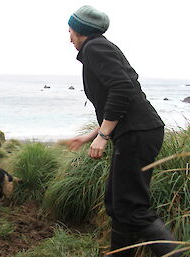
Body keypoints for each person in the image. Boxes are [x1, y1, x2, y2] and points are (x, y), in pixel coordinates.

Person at [66, 5, 182, 257]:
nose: (69, 37)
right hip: (138, 131)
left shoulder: (96, 48)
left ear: (81, 31)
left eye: (71, 31)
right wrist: (91, 135)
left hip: (137, 134)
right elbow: (119, 95)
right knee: (118, 205)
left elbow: (122, 90)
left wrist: (103, 135)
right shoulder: (100, 48)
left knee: (132, 207)